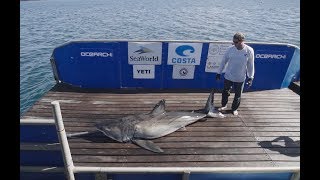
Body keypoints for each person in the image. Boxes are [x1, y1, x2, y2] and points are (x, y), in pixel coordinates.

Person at [216, 32, 255, 116]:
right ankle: (224, 105)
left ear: (242, 41)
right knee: (225, 92)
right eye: (233, 42)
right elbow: (223, 62)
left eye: (236, 42)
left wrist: (250, 77)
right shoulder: (230, 49)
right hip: (228, 76)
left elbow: (250, 65)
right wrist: (219, 73)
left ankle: (234, 109)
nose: (234, 44)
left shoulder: (249, 50)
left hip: (240, 78)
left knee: (238, 95)